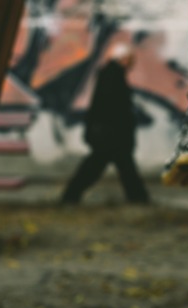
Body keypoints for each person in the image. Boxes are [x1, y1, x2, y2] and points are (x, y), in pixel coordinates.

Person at [61, 44, 150, 204]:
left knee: (107, 168)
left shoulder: (108, 74)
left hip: (107, 134)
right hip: (112, 135)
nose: (132, 64)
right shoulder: (113, 76)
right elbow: (115, 109)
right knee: (118, 168)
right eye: (130, 60)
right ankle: (138, 198)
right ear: (123, 59)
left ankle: (70, 196)